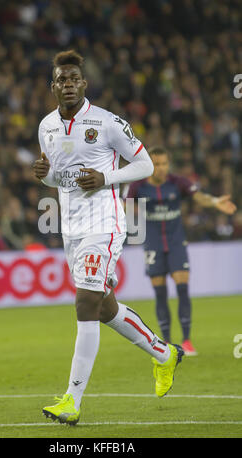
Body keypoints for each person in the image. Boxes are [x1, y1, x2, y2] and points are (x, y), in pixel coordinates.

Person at [33, 51, 184, 426]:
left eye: (74, 79)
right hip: (71, 227)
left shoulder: (108, 123)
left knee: (85, 302)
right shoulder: (46, 127)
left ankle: (72, 399)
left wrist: (107, 178)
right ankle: (165, 355)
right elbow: (59, 177)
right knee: (103, 308)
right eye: (61, 80)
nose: (68, 85)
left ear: (84, 84)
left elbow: (145, 165)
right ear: (53, 87)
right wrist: (45, 175)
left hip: (105, 223)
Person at [127, 146, 237, 355]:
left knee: (182, 289)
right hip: (153, 245)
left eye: (164, 164)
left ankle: (186, 340)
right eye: (156, 164)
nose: (160, 168)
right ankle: (166, 343)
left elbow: (199, 197)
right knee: (160, 293)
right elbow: (124, 205)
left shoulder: (178, 183)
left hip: (176, 243)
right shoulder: (137, 186)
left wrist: (214, 202)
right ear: (149, 165)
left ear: (169, 164)